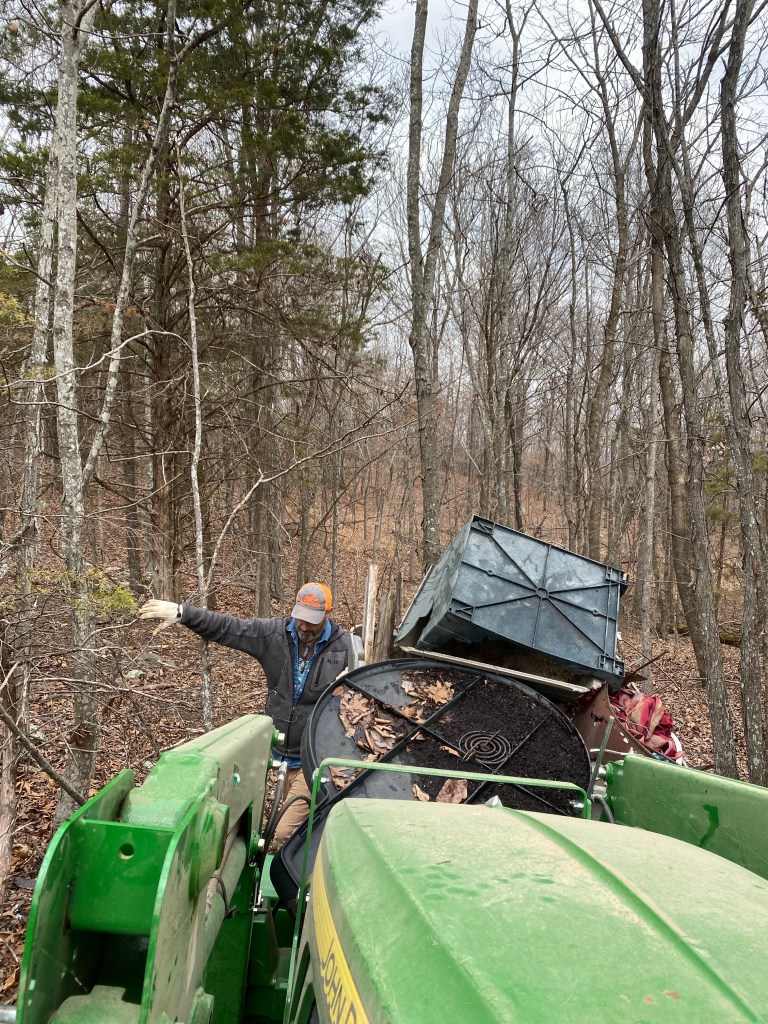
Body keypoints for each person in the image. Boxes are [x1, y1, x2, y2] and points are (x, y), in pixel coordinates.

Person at [138, 582, 351, 845]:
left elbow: (368, 697)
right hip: (277, 753)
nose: (304, 626)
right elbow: (230, 627)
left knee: (283, 832)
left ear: (328, 614)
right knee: (280, 825)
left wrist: (349, 684)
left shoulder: (345, 649)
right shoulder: (275, 635)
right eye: (300, 618)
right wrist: (184, 613)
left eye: (312, 621)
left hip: (314, 758)